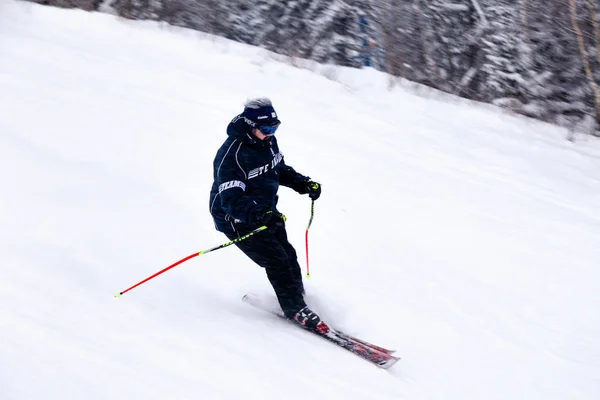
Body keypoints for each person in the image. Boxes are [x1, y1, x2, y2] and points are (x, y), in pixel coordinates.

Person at [209, 97, 328, 333]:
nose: (270, 133)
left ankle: (298, 300)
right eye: (265, 129)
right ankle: (294, 309)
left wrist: (302, 183)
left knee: (288, 255)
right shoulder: (232, 156)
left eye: (274, 128)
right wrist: (259, 214)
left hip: (265, 212)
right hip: (237, 218)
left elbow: (278, 169)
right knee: (276, 259)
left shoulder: (268, 143)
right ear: (251, 125)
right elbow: (231, 200)